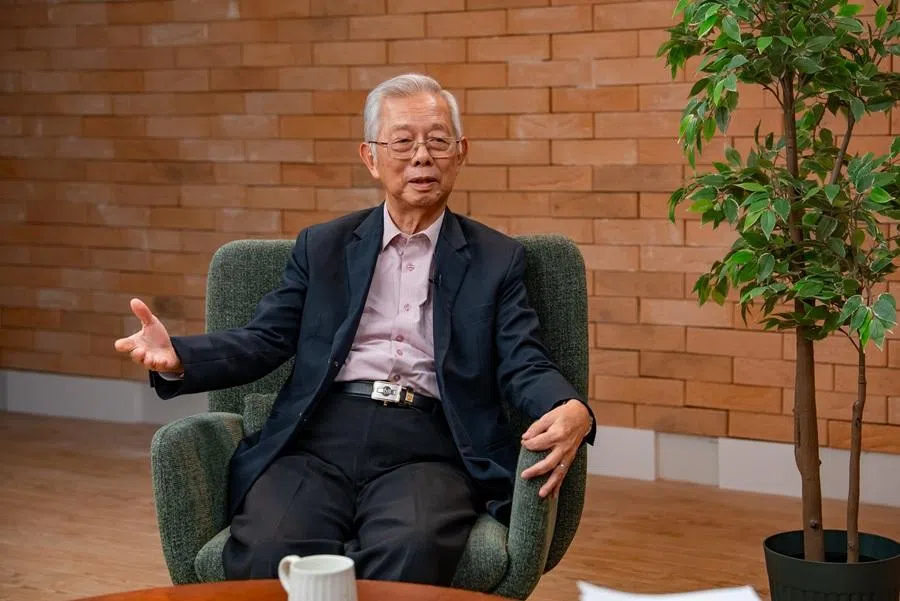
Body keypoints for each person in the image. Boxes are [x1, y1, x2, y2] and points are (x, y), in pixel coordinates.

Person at [114, 73, 595, 586]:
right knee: (272, 548)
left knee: (413, 545)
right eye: (403, 141)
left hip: (426, 445)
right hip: (319, 435)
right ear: (370, 157)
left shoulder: (496, 260)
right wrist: (180, 357)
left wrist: (571, 407)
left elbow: (522, 357)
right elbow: (265, 338)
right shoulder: (322, 246)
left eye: (437, 140)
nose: (422, 156)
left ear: (461, 152)